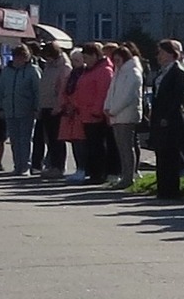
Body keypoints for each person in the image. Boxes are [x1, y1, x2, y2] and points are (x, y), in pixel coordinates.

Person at [148, 40, 184, 197]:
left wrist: (167, 116)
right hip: (158, 116)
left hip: (171, 118)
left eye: (161, 52)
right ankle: (162, 188)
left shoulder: (178, 72)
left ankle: (171, 189)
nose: (158, 56)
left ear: (170, 53)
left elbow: (177, 97)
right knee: (161, 153)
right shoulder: (162, 72)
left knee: (171, 153)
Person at [66, 46, 115, 182]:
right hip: (85, 113)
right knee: (91, 146)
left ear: (95, 55)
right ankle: (93, 173)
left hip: (95, 115)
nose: (85, 61)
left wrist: (96, 111)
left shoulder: (104, 71)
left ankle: (99, 174)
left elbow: (102, 93)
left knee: (97, 146)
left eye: (86, 57)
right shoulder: (90, 70)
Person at [0, 47, 44, 177]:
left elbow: (38, 91)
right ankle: (17, 166)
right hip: (9, 110)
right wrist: (0, 107)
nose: (18, 59)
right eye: (16, 57)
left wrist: (37, 108)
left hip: (27, 110)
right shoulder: (6, 71)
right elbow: (0, 90)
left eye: (22, 57)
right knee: (14, 140)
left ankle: (25, 167)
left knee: (25, 140)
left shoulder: (33, 71)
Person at [105, 42, 145, 190]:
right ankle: (124, 175)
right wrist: (107, 106)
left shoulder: (133, 72)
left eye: (118, 60)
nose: (116, 63)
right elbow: (111, 91)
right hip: (116, 115)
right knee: (121, 148)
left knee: (127, 147)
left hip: (126, 115)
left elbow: (128, 96)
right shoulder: (118, 72)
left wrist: (113, 110)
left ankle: (129, 177)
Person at [35, 42, 71, 178]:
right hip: (46, 106)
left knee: (57, 140)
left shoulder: (64, 67)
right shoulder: (48, 67)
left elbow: (63, 89)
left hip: (56, 108)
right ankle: (51, 165)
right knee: (50, 139)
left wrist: (59, 106)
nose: (46, 59)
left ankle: (58, 166)